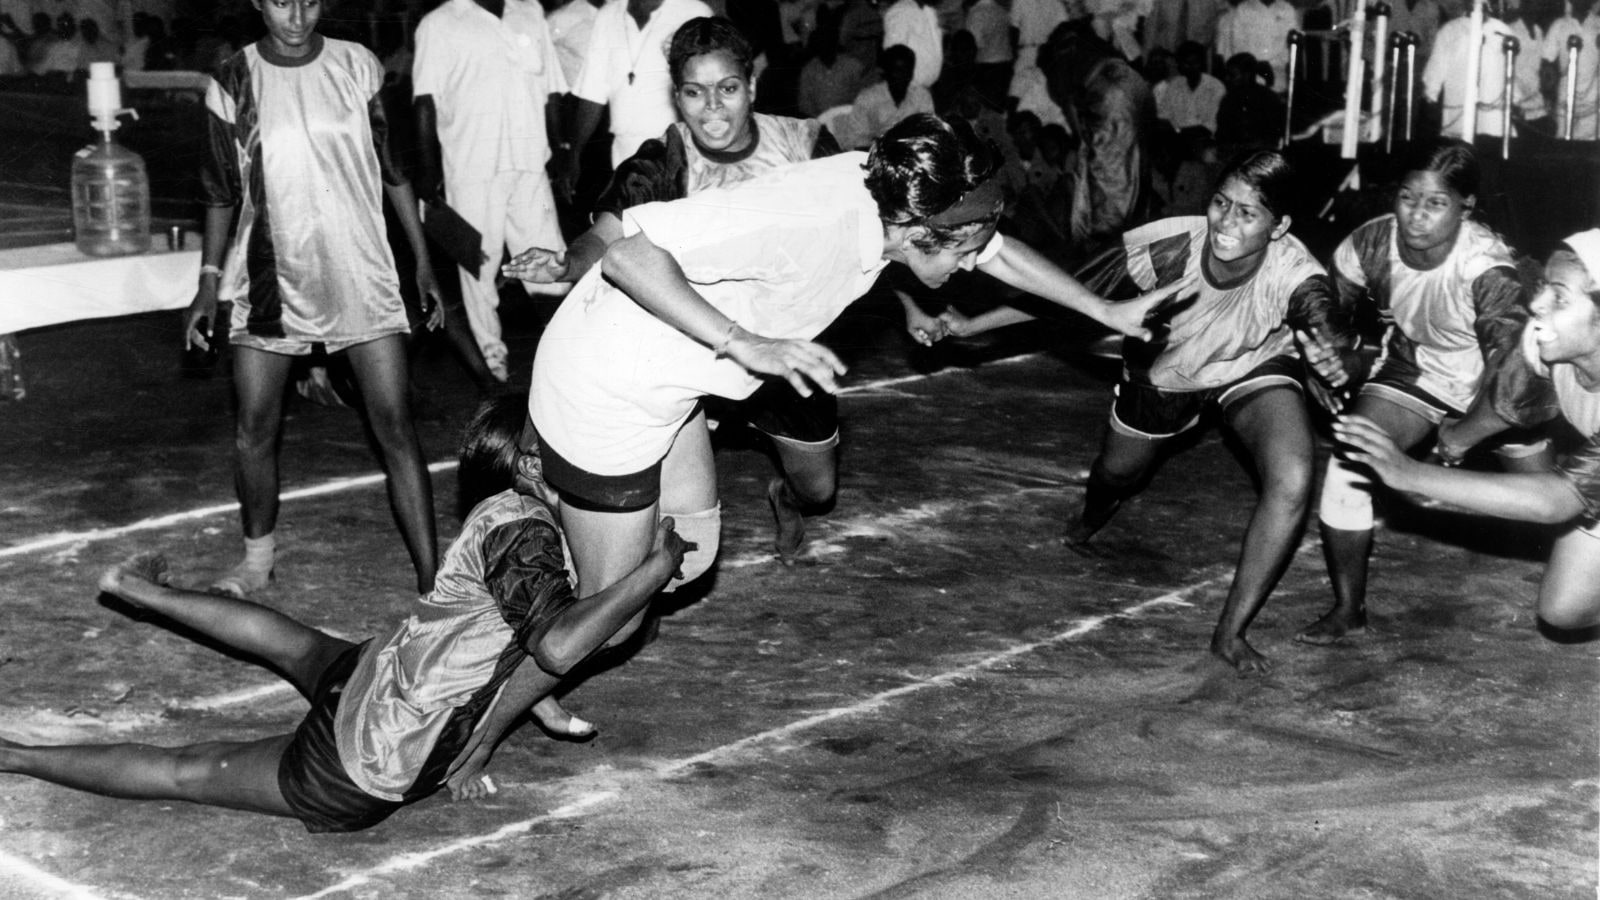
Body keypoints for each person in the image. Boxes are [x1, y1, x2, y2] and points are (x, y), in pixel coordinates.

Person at [524, 113, 1181, 667]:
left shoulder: (897, 188)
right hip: (606, 385)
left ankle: (568, 535)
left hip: (671, 380)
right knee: (609, 627)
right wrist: (743, 342)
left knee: (687, 560)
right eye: (959, 253)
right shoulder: (811, 221)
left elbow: (998, 252)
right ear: (920, 232)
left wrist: (1105, 311)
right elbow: (628, 256)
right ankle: (508, 620)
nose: (965, 268)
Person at [0, 396, 692, 832]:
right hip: (367, 757)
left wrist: (493, 730)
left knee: (298, 647)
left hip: (378, 671)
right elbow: (559, 647)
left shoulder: (510, 514)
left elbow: (515, 646)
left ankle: (141, 591)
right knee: (186, 771)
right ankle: (15, 757)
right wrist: (655, 570)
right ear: (535, 463)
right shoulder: (527, 535)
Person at [938, 151, 1356, 673]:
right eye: (1221, 203)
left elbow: (1330, 327)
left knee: (1292, 478)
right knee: (1117, 474)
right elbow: (1066, 295)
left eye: (1248, 214)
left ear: (1280, 226)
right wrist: (972, 326)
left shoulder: (1296, 274)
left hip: (1251, 366)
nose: (1226, 222)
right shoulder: (1166, 244)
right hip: (1164, 377)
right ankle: (1088, 520)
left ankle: (1230, 632)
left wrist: (1333, 360)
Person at [505, 17, 849, 563]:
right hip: (694, 343)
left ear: (751, 87)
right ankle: (642, 585)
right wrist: (566, 263)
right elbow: (608, 235)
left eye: (727, 89)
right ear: (677, 96)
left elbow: (860, 232)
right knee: (668, 497)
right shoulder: (666, 157)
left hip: (781, 349)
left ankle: (785, 495)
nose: (712, 107)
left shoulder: (806, 145)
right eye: (694, 92)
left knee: (819, 489)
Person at [183, 0, 444, 599]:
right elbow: (220, 192)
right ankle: (256, 561)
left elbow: (395, 169)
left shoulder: (358, 65)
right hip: (270, 276)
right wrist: (206, 280)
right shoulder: (232, 80)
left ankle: (434, 583)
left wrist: (424, 264)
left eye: (309, 0)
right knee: (254, 425)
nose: (297, 16)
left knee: (395, 425)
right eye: (281, 1)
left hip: (361, 269)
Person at [1298, 141, 1533, 646]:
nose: (1416, 217)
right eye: (1408, 198)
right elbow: (1324, 311)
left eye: (1436, 203)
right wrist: (1326, 363)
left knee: (1561, 507)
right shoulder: (1369, 244)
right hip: (1419, 368)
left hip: (1498, 385)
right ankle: (1348, 609)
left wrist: (1463, 435)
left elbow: (1514, 375)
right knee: (1351, 460)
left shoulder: (1487, 269)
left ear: (1466, 206)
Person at [1331, 229, 1600, 635]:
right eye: (1543, 286)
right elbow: (1507, 402)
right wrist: (1458, 437)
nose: (1537, 303)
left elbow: (1556, 501)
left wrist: (1409, 472)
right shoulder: (1545, 343)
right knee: (1562, 609)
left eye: (1559, 297)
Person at [413, 0, 570, 385]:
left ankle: (569, 351)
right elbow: (425, 103)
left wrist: (562, 150)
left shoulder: (528, 10)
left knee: (550, 264)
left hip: (530, 162)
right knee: (479, 272)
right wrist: (428, 174)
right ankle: (492, 363)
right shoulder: (439, 23)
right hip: (471, 166)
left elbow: (551, 91)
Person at [562, 0, 713, 191]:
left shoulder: (694, 11)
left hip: (681, 151)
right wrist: (574, 155)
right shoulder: (609, 14)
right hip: (624, 153)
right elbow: (592, 91)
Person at [1041, 20, 1157, 263]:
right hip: (1137, 87)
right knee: (1133, 171)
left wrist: (1084, 148)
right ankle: (1130, 242)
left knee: (1107, 179)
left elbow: (1075, 118)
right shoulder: (1091, 46)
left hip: (1110, 99)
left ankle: (1107, 252)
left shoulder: (1058, 64)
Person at [881, 0, 943, 89]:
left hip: (924, 91)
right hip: (908, 91)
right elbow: (893, 57)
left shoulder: (929, 12)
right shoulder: (901, 11)